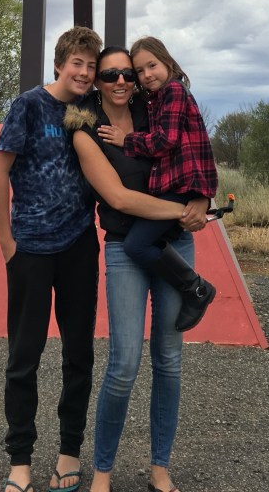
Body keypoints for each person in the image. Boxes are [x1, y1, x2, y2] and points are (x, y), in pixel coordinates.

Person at [69, 46, 209, 492]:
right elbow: (118, 198)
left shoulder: (157, 110)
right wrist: (183, 211)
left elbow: (193, 149)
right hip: (125, 248)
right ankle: (103, 472)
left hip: (175, 242)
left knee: (168, 361)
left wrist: (201, 197)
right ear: (97, 81)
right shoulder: (87, 130)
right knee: (124, 363)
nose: (121, 81)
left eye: (128, 73)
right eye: (110, 74)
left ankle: (160, 468)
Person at [0, 25, 103, 492]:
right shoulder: (29, 105)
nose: (84, 72)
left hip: (79, 246)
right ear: (58, 65)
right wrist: (6, 242)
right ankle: (20, 461)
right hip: (31, 248)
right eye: (77, 63)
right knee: (24, 357)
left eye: (91, 65)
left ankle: (68, 453)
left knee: (79, 355)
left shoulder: (91, 108)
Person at [96, 36, 218, 332]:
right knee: (141, 243)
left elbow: (167, 140)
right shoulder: (154, 98)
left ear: (167, 62)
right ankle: (192, 286)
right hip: (174, 186)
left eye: (152, 66)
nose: (146, 75)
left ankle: (196, 288)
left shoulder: (173, 91)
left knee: (136, 245)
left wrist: (127, 140)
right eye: (140, 70)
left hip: (179, 186)